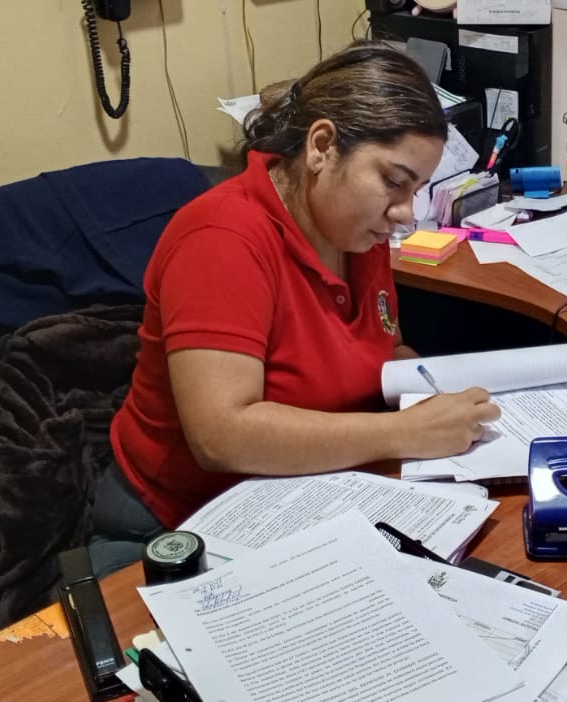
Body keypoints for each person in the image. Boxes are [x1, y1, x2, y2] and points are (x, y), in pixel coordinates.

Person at [87, 41, 501, 572]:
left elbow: (383, 345)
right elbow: (222, 436)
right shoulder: (221, 239)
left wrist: (428, 389)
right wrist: (407, 432)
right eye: (393, 182)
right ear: (322, 146)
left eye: (416, 189)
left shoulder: (356, 232)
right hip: (182, 526)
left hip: (305, 493)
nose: (405, 213)